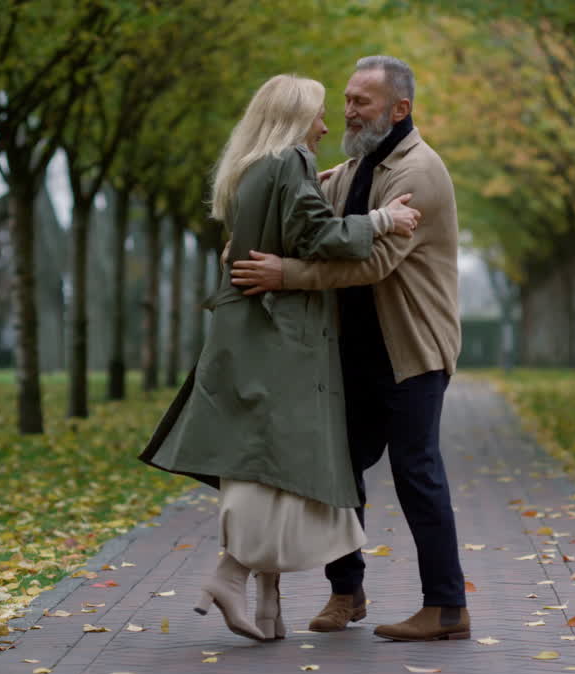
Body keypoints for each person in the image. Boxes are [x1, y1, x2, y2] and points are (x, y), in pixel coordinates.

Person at [140, 74, 421, 642]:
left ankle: (268, 605)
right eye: (319, 114)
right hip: (279, 336)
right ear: (295, 118)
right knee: (280, 464)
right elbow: (317, 236)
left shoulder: (252, 166)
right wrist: (382, 221)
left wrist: (316, 186)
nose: (325, 125)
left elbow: (275, 230)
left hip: (249, 331)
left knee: (267, 459)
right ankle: (231, 575)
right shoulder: (290, 160)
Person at [229, 56, 469, 642]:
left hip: (410, 350)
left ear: (400, 109)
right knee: (338, 473)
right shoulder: (360, 165)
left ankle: (447, 607)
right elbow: (309, 214)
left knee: (416, 471)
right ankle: (347, 593)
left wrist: (286, 275)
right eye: (347, 99)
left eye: (362, 101)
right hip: (353, 351)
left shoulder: (420, 171)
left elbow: (373, 262)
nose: (348, 111)